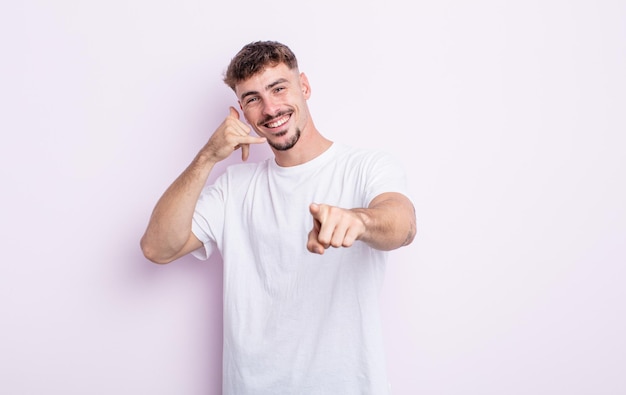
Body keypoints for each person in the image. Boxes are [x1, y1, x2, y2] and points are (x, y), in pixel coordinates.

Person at [140, 40, 416, 395]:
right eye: (253, 98)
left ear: (304, 86)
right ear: (241, 110)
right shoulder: (234, 188)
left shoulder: (365, 166)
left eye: (278, 88)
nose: (270, 108)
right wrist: (208, 156)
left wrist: (360, 221)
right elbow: (157, 248)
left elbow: (403, 224)